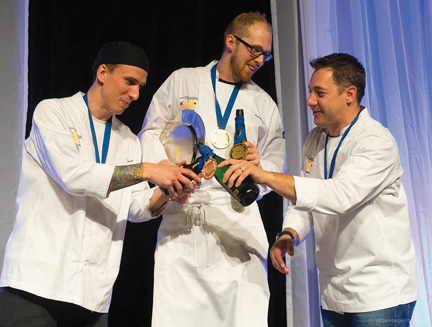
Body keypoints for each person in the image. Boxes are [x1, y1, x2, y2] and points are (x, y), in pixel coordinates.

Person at [0, 41, 200, 327]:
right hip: (36, 286)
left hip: (92, 296)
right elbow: (73, 175)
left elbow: (134, 206)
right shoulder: (53, 113)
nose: (135, 94)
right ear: (103, 72)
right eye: (130, 82)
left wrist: (168, 190)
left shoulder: (128, 139)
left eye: (141, 87)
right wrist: (147, 170)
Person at [220, 53, 418, 327]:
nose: (310, 100)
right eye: (310, 91)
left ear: (349, 94)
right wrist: (290, 232)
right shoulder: (316, 137)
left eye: (319, 93)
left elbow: (338, 196)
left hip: (378, 294)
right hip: (333, 293)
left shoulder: (376, 141)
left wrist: (263, 174)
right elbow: (307, 199)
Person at [138, 12, 285, 327]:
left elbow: (276, 162)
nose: (260, 59)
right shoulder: (183, 81)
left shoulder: (264, 104)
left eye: (266, 53)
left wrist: (259, 171)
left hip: (238, 222)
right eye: (255, 50)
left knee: (243, 317)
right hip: (185, 215)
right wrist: (164, 168)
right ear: (231, 41)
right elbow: (150, 132)